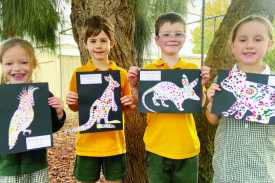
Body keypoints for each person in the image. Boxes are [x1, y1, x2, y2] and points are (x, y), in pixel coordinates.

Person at [128, 12, 211, 183]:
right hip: (157, 146)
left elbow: (199, 103)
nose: (172, 38)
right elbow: (142, 103)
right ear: (157, 40)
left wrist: (201, 84)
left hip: (187, 146)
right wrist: (134, 86)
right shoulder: (149, 70)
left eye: (178, 34)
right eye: (166, 34)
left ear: (184, 38)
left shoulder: (191, 69)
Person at [66, 16, 135, 183]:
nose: (98, 46)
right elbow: (76, 108)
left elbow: (124, 106)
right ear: (85, 44)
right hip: (87, 145)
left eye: (103, 40)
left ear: (112, 43)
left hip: (114, 144)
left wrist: (128, 103)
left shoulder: (121, 74)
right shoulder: (79, 74)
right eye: (93, 41)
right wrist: (70, 101)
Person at [206, 15, 275, 182]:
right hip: (227, 169)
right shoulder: (223, 81)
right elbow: (213, 119)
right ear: (233, 46)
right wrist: (212, 103)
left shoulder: (273, 84)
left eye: (258, 39)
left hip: (263, 171)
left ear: (270, 45)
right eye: (242, 40)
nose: (249, 45)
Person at [0, 38, 66, 183]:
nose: (17, 68)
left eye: (23, 62)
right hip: (6, 167)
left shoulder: (44, 95)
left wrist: (59, 113)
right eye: (9, 63)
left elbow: (50, 127)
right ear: (2, 65)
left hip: (37, 165)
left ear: (34, 63)